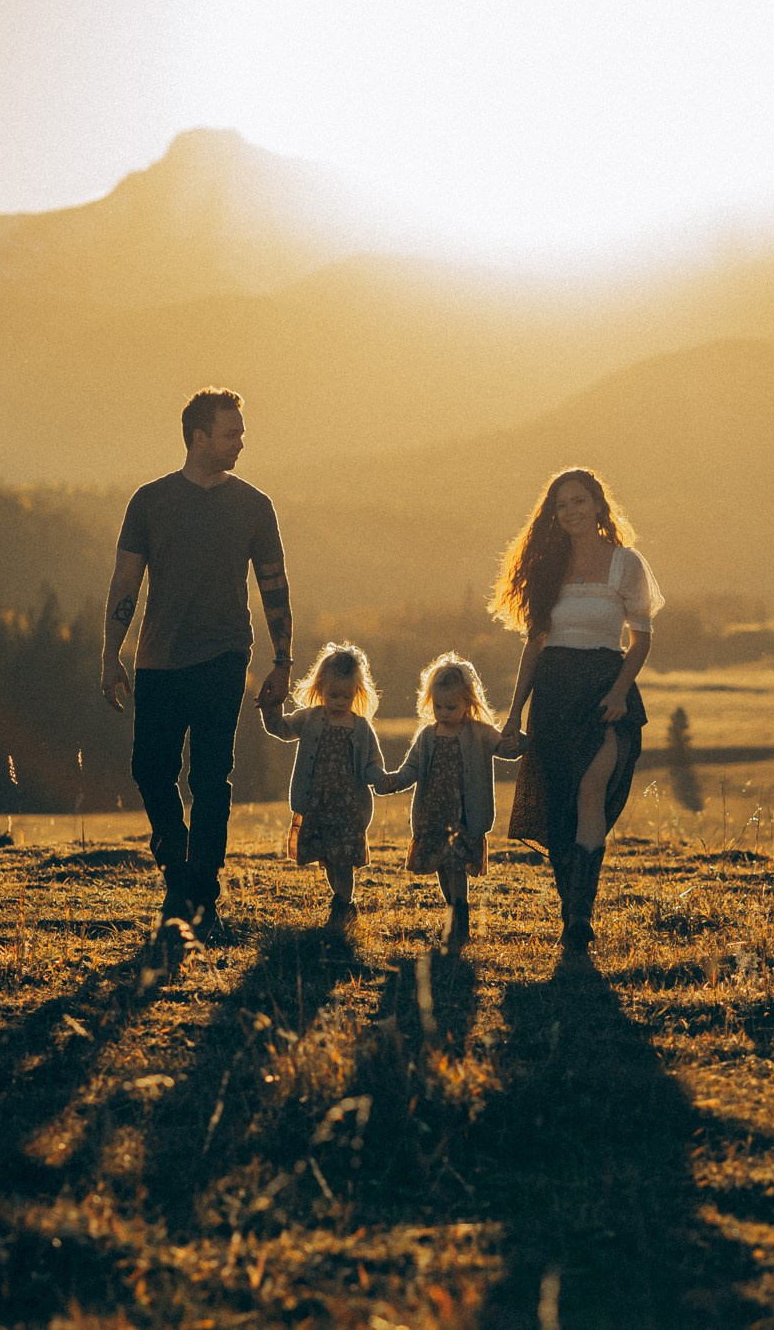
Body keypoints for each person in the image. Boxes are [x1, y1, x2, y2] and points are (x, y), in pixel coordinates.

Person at [101, 387, 293, 939]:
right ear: (198, 437)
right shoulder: (150, 501)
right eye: (231, 433)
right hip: (158, 660)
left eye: (241, 433)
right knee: (150, 770)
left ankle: (199, 894)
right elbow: (125, 583)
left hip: (224, 655)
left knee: (211, 775)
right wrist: (110, 654)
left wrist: (283, 660)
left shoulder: (255, 506)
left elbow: (274, 585)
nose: (241, 443)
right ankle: (177, 868)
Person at [490, 468, 662, 951]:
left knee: (591, 789)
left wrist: (620, 692)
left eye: (579, 501)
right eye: (561, 505)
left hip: (605, 692)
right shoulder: (547, 566)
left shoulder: (626, 563)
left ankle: (582, 912)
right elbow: (534, 646)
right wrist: (514, 714)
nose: (571, 512)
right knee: (560, 805)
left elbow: (641, 640)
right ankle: (573, 916)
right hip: (553, 693)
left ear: (598, 505)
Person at [378, 653, 515, 953]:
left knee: (455, 865)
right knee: (441, 865)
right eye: (438, 706)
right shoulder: (427, 735)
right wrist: (394, 781)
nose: (443, 713)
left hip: (463, 817)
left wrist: (520, 741)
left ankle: (460, 917)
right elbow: (412, 768)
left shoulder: (479, 732)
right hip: (433, 816)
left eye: (451, 707)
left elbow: (505, 749)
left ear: (469, 703)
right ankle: (452, 908)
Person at [259, 642, 387, 932]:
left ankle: (342, 906)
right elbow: (281, 729)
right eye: (334, 695)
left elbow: (371, 764)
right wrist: (270, 708)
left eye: (347, 696)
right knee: (329, 859)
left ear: (357, 692)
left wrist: (382, 778)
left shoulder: (361, 727)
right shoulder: (310, 718)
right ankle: (344, 905)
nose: (340, 701)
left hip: (349, 808)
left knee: (343, 860)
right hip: (317, 804)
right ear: (320, 688)